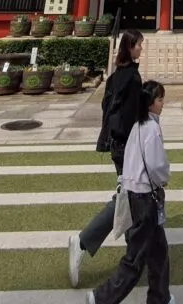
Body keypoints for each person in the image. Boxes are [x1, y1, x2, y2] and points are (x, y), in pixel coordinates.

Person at [86, 80, 175, 304]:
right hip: (146, 199)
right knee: (135, 260)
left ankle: (160, 298)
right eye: (160, 99)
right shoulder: (151, 129)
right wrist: (165, 177)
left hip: (138, 194)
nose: (163, 104)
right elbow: (156, 167)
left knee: (158, 253)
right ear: (151, 103)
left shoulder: (138, 125)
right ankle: (100, 298)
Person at [69, 29, 144, 288]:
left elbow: (106, 109)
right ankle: (82, 241)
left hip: (115, 144)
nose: (141, 49)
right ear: (129, 47)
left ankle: (136, 255)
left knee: (132, 197)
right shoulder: (133, 78)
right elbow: (131, 118)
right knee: (129, 197)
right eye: (138, 45)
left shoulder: (114, 78)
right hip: (128, 146)